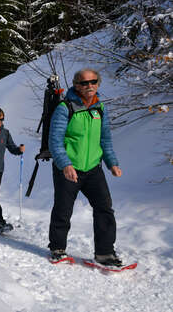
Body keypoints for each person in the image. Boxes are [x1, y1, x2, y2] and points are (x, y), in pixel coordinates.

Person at [48, 68, 123, 266]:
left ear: (98, 83)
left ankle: (105, 253)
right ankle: (57, 248)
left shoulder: (100, 108)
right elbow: (54, 141)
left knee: (104, 208)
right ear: (76, 85)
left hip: (93, 168)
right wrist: (65, 164)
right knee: (63, 210)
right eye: (84, 83)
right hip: (68, 168)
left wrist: (112, 163)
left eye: (93, 81)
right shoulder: (65, 108)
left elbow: (105, 139)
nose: (89, 86)